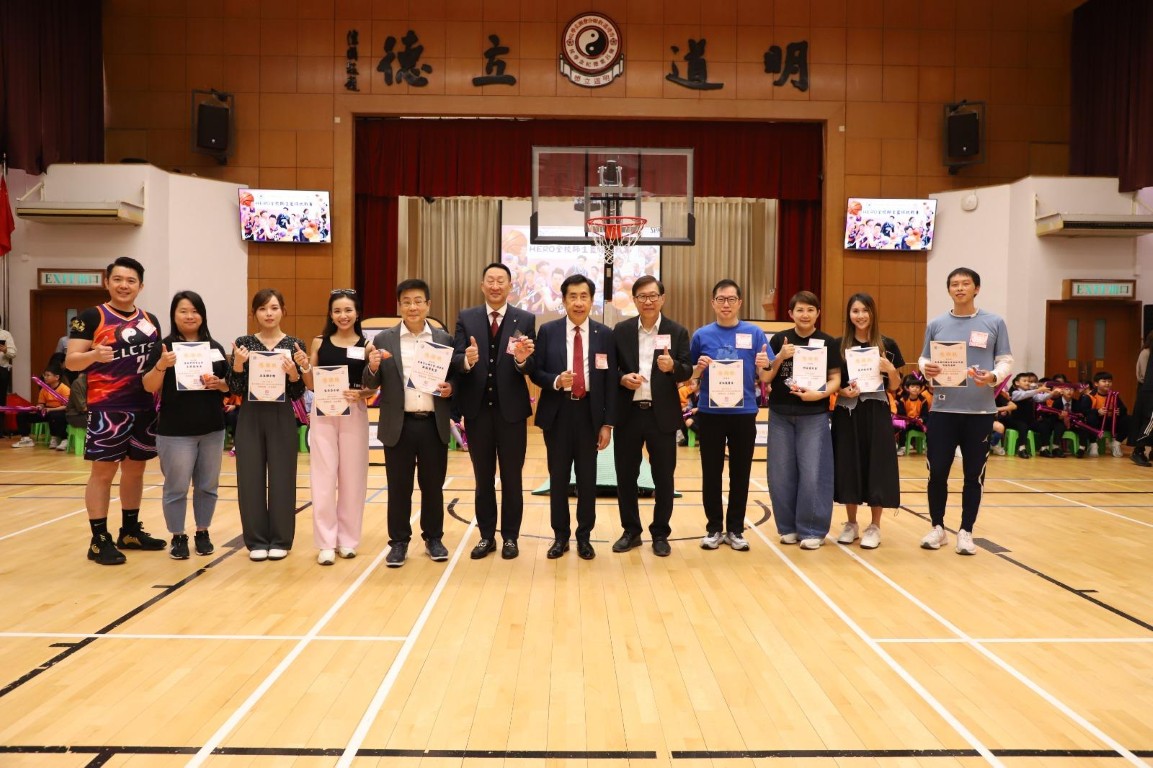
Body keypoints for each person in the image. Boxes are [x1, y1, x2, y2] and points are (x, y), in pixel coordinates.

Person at [65, 257, 165, 565]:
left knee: (136, 470)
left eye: (131, 280)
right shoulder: (91, 316)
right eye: (118, 279)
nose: (124, 285)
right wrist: (94, 355)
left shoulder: (150, 319)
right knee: (103, 473)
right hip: (108, 408)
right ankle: (99, 539)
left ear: (140, 286)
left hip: (144, 406)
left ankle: (130, 531)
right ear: (107, 282)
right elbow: (71, 362)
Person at [364, 278, 463, 568]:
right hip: (399, 424)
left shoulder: (443, 339)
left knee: (433, 487)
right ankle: (398, 542)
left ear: (428, 305)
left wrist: (451, 388)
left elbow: (456, 377)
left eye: (418, 301)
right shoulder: (384, 340)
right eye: (406, 302)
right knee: (399, 488)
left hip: (433, 423)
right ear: (399, 306)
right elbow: (371, 383)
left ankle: (433, 538)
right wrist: (372, 367)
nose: (413, 307)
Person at [919, 267, 1013, 556]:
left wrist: (993, 377)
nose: (959, 288)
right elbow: (923, 359)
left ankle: (966, 531)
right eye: (954, 284)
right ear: (949, 289)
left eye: (965, 283)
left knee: (974, 475)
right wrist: (926, 368)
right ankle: (937, 527)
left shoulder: (994, 322)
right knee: (937, 472)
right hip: (943, 410)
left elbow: (1006, 360)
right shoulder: (937, 324)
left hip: (979, 413)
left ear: (976, 289)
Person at [452, 263, 537, 561]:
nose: (495, 285)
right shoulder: (467, 317)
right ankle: (486, 536)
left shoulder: (525, 318)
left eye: (501, 281)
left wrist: (522, 360)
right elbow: (456, 358)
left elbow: (528, 364)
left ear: (510, 286)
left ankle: (510, 537)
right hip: (477, 412)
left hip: (511, 413)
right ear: (482, 285)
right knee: (483, 479)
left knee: (512, 479)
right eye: (490, 280)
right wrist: (467, 359)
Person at [530, 274, 617, 560]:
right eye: (573, 297)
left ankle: (584, 537)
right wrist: (556, 380)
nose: (578, 302)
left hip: (590, 413)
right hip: (558, 412)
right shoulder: (549, 331)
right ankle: (560, 537)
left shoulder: (604, 334)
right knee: (558, 478)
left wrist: (607, 423)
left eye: (584, 296)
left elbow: (609, 382)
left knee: (587, 479)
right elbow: (536, 372)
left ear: (591, 300)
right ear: (564, 300)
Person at [142, 291, 230, 560]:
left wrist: (219, 384)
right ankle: (178, 535)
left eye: (195, 311)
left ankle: (202, 532)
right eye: (183, 311)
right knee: (176, 487)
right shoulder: (163, 347)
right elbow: (148, 386)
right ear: (174, 315)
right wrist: (161, 365)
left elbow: (228, 386)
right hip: (175, 431)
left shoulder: (214, 347)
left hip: (212, 428)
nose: (190, 316)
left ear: (202, 315)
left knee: (207, 486)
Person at [610, 275, 693, 557]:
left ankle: (660, 533)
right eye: (642, 296)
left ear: (662, 298)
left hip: (662, 416)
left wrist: (673, 367)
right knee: (626, 477)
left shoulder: (677, 331)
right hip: (629, 414)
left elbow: (687, 369)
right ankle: (631, 531)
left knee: (664, 478)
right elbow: (611, 369)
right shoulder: (621, 331)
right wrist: (622, 379)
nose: (648, 301)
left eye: (653, 295)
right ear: (634, 300)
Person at [689, 279, 773, 551]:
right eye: (721, 299)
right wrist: (698, 369)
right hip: (710, 413)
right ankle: (714, 528)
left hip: (744, 413)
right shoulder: (701, 335)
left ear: (740, 302)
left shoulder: (755, 333)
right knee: (711, 472)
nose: (726, 304)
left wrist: (764, 365)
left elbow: (766, 376)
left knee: (741, 473)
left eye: (731, 299)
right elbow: (690, 376)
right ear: (713, 303)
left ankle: (735, 529)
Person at [226, 288, 307, 562]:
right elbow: (235, 388)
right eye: (262, 309)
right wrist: (238, 364)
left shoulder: (294, 344)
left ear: (283, 310)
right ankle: (256, 540)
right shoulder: (244, 343)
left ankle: (281, 539)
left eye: (274, 308)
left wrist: (294, 373)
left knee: (283, 477)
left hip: (282, 415)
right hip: (250, 415)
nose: (268, 313)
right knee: (250, 477)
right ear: (254, 313)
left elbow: (297, 392)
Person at [764, 291, 842, 550]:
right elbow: (766, 377)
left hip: (814, 414)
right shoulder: (779, 339)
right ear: (791, 314)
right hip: (780, 414)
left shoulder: (828, 341)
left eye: (810, 309)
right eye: (799, 310)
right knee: (780, 473)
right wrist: (780, 356)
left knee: (813, 473)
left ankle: (812, 529)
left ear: (818, 313)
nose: (805, 314)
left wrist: (819, 395)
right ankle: (787, 527)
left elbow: (835, 378)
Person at [301, 289, 374, 566]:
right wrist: (303, 366)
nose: (343, 315)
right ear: (330, 315)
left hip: (354, 411)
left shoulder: (367, 346)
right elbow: (310, 383)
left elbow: (373, 387)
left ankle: (348, 540)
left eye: (348, 310)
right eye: (337, 311)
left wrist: (362, 394)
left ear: (357, 313)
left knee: (353, 477)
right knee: (323, 476)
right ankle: (325, 543)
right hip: (323, 411)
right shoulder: (319, 342)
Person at [830, 293, 902, 550]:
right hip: (846, 412)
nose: (860, 315)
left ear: (872, 313)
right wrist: (841, 391)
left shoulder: (888, 345)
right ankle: (851, 523)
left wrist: (890, 370)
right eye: (855, 311)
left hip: (876, 412)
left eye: (865, 310)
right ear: (849, 315)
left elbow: (894, 386)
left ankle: (875, 526)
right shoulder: (838, 345)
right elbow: (833, 382)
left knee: (877, 465)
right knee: (848, 464)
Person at [12, 364, 70, 450]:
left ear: (57, 377)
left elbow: (67, 406)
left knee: (54, 415)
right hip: (46, 410)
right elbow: (41, 403)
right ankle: (26, 439)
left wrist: (50, 409)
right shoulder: (44, 389)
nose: (45, 377)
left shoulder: (64, 389)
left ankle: (61, 439)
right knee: (22, 414)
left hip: (60, 411)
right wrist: (38, 407)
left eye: (48, 375)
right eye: (44, 375)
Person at [1083, 371, 1129, 457]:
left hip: (1111, 422)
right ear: (1096, 384)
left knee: (1129, 419)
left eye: (1109, 381)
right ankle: (1093, 444)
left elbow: (1124, 409)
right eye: (1104, 381)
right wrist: (1097, 412)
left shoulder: (1114, 395)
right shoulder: (1089, 396)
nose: (1107, 383)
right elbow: (1084, 411)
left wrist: (1120, 411)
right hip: (1097, 423)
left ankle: (1116, 443)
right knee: (1091, 417)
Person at [1130, 331, 1153, 465]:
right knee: (1149, 420)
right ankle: (1138, 449)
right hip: (1148, 391)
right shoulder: (1146, 353)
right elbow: (1143, 376)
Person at [895, 374, 931, 455]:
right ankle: (902, 447)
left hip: (918, 423)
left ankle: (928, 446)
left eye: (917, 387)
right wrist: (907, 420)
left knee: (929, 426)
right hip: (907, 422)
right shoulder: (903, 400)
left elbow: (925, 414)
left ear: (920, 389)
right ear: (907, 388)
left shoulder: (923, 400)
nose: (915, 389)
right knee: (901, 425)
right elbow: (901, 413)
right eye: (912, 387)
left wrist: (922, 419)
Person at [0, 315, 15, 398]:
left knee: (1, 398)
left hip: (1, 369)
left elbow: (13, 353)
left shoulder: (5, 334)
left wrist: (5, 350)